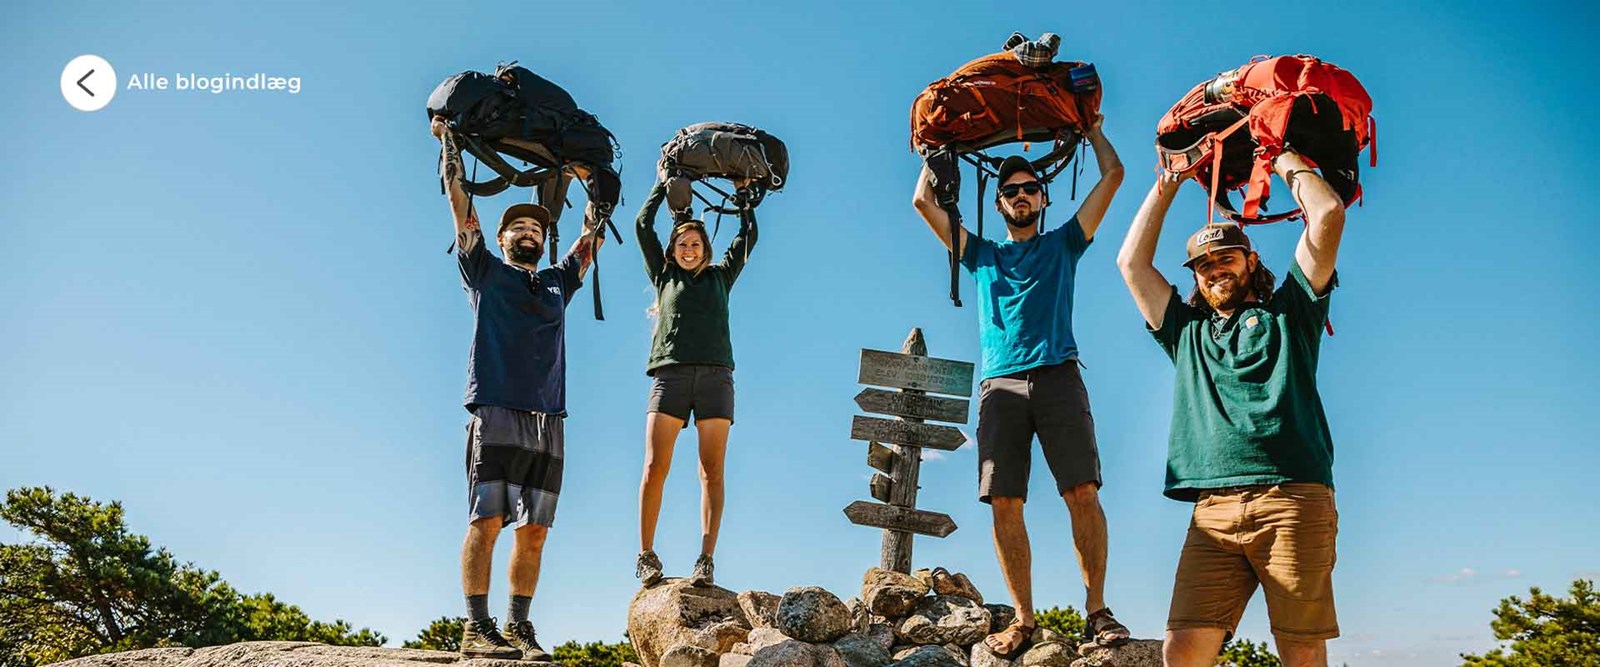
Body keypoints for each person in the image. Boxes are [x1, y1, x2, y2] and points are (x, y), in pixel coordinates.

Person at [1116, 151, 1347, 667]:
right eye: (1203, 265)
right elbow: (1130, 263)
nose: (1214, 269)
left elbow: (1328, 214)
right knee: (1182, 651)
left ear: (1250, 262)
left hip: (1291, 497)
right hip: (1212, 512)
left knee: (1301, 649)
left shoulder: (1293, 314)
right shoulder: (1185, 333)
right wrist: (1170, 180)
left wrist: (1279, 152)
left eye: (1226, 258)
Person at [910, 116, 1130, 657]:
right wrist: (934, 151)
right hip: (1001, 387)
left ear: (1043, 197)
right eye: (1010, 190)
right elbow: (922, 203)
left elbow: (1114, 174)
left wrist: (1092, 128)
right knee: (1004, 501)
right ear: (1001, 201)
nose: (1021, 195)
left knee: (1082, 492)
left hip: (1059, 375)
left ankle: (1097, 611)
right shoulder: (983, 254)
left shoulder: (1064, 244)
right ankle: (1025, 619)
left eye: (1030, 187)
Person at [432, 115, 603, 661]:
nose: (528, 233)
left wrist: (594, 183)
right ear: (503, 238)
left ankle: (518, 628)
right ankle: (476, 629)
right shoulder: (484, 270)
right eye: (518, 229)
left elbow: (589, 239)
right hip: (496, 407)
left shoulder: (557, 281)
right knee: (487, 519)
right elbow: (462, 208)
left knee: (535, 530)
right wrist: (450, 149)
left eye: (535, 229)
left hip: (549, 417)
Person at [632, 177, 758, 588]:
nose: (689, 250)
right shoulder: (664, 275)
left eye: (696, 245)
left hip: (716, 379)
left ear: (706, 250)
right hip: (669, 375)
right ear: (673, 250)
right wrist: (660, 184)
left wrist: (743, 197)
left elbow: (748, 234)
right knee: (654, 466)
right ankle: (646, 555)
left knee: (712, 471)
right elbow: (641, 226)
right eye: (683, 244)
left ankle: (706, 559)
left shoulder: (722, 277)